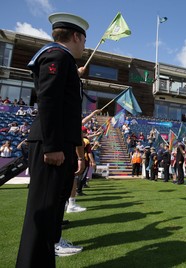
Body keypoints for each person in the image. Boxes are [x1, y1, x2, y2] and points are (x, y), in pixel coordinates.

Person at [16, 13, 89, 267]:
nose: (84, 47)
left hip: (60, 145)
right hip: (53, 147)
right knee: (43, 215)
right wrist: (53, 146)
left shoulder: (64, 60)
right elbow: (47, 100)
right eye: (84, 40)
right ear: (77, 36)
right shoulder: (57, 56)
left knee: (50, 219)